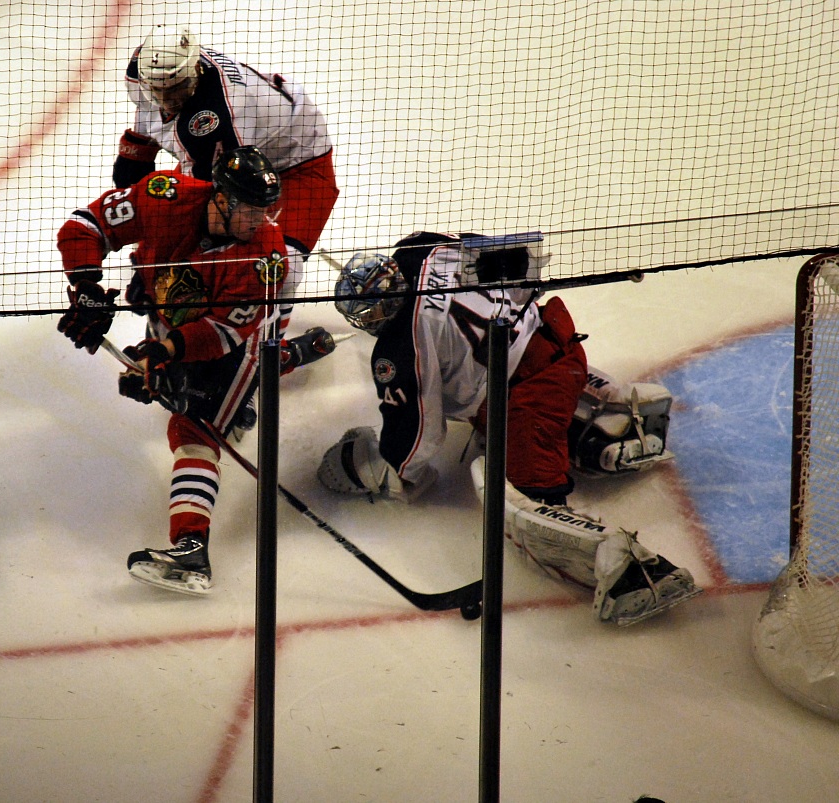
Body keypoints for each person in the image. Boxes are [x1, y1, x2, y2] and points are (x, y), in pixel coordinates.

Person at [316, 231, 701, 626]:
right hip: (557, 343)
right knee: (500, 404)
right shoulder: (423, 247)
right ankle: (608, 426)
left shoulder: (400, 347)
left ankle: (630, 572)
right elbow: (523, 259)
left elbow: (420, 433)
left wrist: (396, 470)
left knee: (528, 494)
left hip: (527, 397)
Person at [56, 145, 291, 596]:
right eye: (249, 209)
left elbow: (222, 334)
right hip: (172, 320)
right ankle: (244, 403)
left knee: (193, 432)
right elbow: (86, 225)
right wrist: (85, 286)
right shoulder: (166, 195)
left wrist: (160, 354)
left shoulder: (267, 257)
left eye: (266, 211)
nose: (259, 221)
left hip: (242, 346)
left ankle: (192, 553)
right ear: (220, 197)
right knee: (173, 393)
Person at [113, 24, 340, 345]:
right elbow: (132, 173)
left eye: (175, 89)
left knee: (278, 266)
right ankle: (174, 342)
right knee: (156, 211)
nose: (166, 100)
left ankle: (266, 354)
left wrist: (151, 270)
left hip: (297, 163)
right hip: (233, 150)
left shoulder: (215, 118)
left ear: (193, 71)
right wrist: (145, 256)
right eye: (158, 91)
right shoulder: (143, 70)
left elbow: (206, 214)